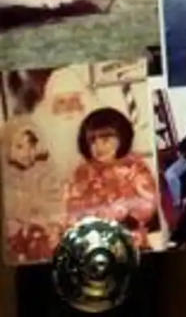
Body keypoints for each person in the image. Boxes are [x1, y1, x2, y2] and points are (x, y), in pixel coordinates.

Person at [66, 108, 159, 249]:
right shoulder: (82, 172)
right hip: (93, 242)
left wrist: (119, 211)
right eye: (92, 141)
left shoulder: (134, 166)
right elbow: (71, 207)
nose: (99, 146)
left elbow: (149, 202)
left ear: (122, 138)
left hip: (131, 240)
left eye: (105, 139)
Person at [2, 122, 63, 263]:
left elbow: (55, 199)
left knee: (47, 244)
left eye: (31, 146)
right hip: (16, 228)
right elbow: (11, 206)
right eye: (19, 147)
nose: (26, 152)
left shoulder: (45, 170)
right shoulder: (6, 175)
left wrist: (53, 224)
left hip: (43, 224)